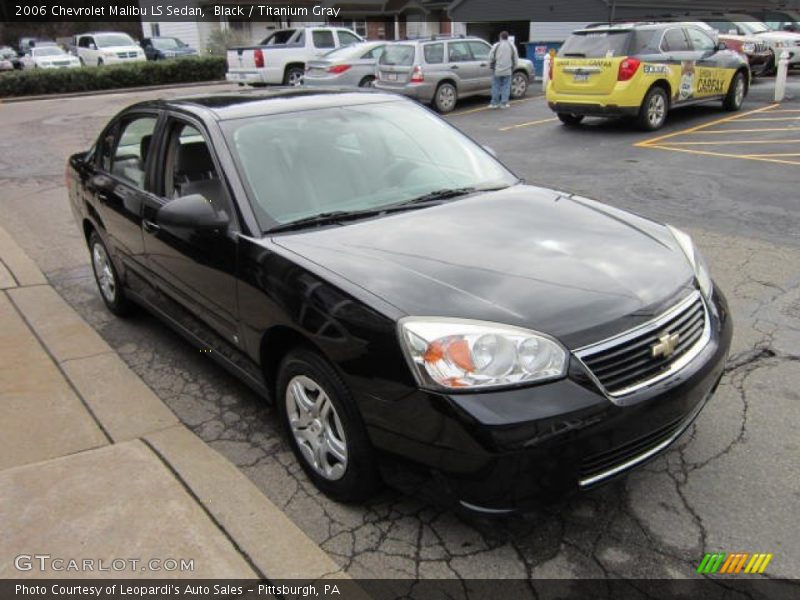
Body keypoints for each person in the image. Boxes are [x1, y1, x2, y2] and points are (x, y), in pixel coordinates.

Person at [488, 31, 518, 109]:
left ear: (500, 37)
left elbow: (491, 56)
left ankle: (494, 103)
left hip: (497, 70)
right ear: (507, 37)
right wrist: (514, 67)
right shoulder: (512, 46)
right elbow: (515, 58)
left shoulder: (496, 45)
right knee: (506, 87)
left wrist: (490, 65)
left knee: (496, 86)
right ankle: (504, 103)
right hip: (508, 70)